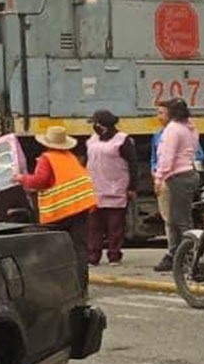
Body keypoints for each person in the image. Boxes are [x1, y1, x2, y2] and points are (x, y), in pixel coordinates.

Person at [20, 125, 98, 292]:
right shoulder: (70, 157)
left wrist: (21, 178)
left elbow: (40, 181)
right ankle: (81, 286)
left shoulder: (46, 158)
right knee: (79, 248)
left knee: (54, 249)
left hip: (61, 211)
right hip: (81, 207)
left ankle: (60, 287)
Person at [84, 109, 138, 266]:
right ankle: (93, 256)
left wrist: (132, 187)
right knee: (94, 227)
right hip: (95, 189)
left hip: (116, 188)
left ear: (102, 125)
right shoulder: (92, 140)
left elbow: (133, 165)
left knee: (115, 226)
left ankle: (114, 255)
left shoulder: (123, 140)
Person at [152, 98, 200, 273]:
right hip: (188, 173)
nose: (159, 116)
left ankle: (188, 257)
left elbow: (167, 157)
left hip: (177, 177)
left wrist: (159, 177)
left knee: (179, 221)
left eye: (162, 112)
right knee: (177, 219)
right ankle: (180, 255)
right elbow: (193, 150)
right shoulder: (189, 127)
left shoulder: (172, 130)